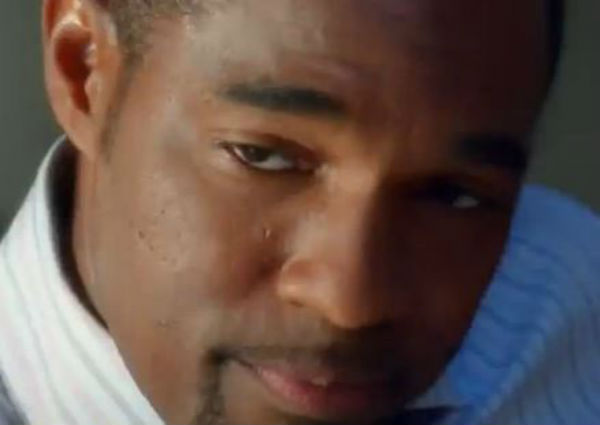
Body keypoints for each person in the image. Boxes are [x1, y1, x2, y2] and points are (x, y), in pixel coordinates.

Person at [2, 0, 598, 424]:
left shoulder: (574, 304)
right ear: (84, 71)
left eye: (452, 194)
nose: (351, 304)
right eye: (264, 157)